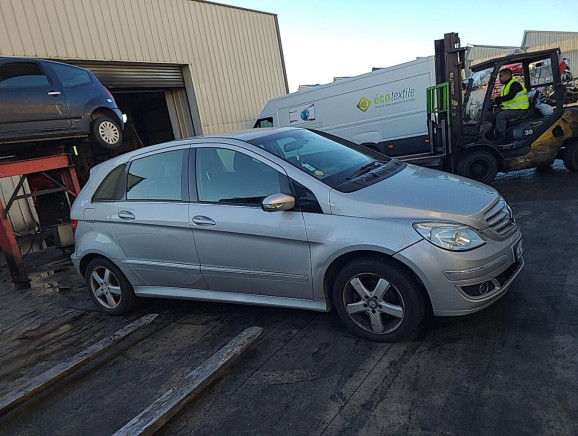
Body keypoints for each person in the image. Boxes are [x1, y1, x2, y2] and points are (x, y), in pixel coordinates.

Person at [492, 68, 529, 144]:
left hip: (520, 109)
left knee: (500, 116)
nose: (500, 79)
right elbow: (506, 100)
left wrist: (498, 99)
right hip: (511, 108)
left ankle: (501, 137)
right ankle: (492, 135)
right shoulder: (505, 86)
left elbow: (510, 96)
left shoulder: (515, 84)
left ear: (507, 76)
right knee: (493, 115)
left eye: (501, 76)